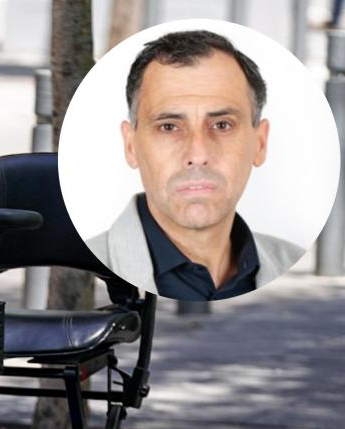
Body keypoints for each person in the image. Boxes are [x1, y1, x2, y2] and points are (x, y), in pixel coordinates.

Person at [87, 30, 304, 301]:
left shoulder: (287, 260)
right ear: (131, 146)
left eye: (222, 125)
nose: (198, 154)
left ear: (259, 144)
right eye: (169, 127)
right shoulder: (80, 269)